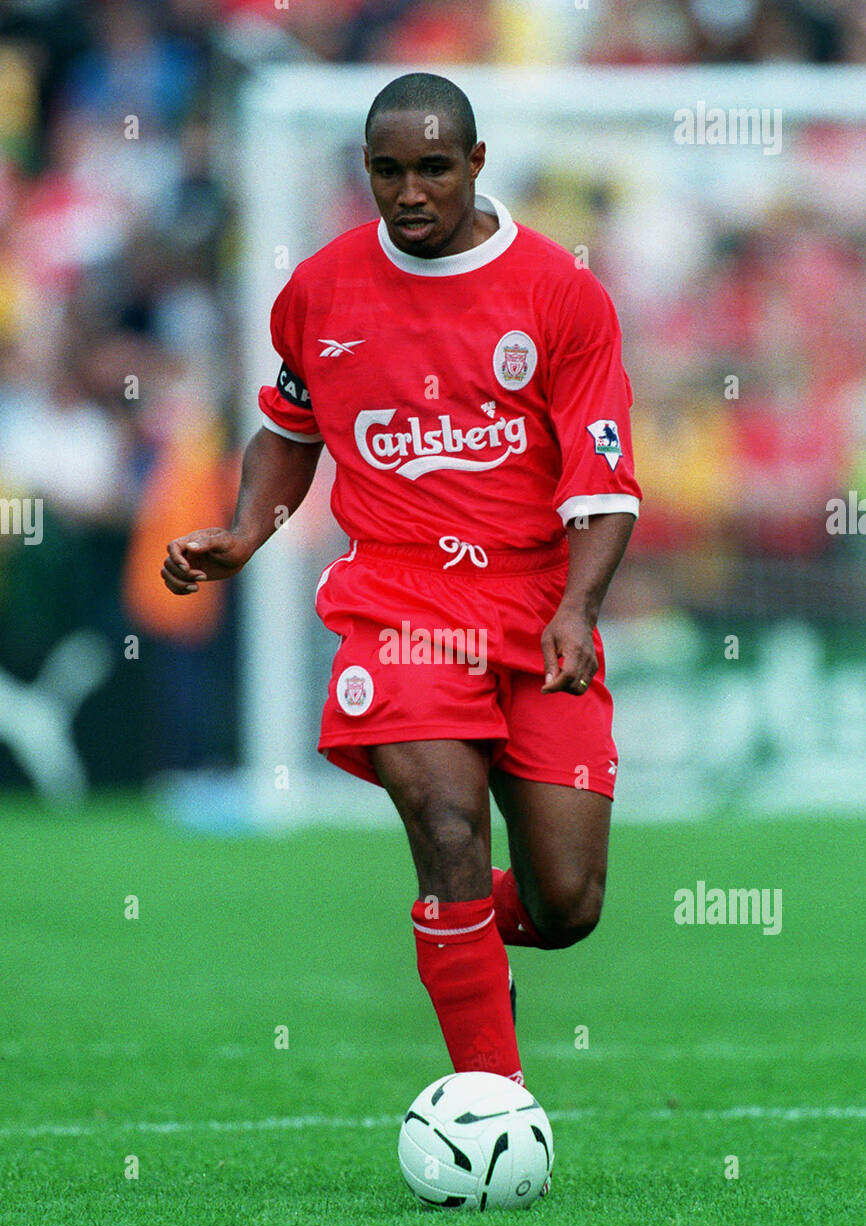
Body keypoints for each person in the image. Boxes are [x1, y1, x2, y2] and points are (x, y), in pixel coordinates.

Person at [162, 73, 640, 1088]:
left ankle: (454, 923)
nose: (409, 192)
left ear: (475, 164)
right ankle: (491, 1102)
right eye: (387, 171)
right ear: (365, 170)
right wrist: (246, 533)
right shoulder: (319, 292)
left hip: (533, 604)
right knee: (447, 824)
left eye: (431, 169)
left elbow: (603, 484)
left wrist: (576, 606)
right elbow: (289, 435)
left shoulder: (559, 294)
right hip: (399, 601)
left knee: (566, 903)